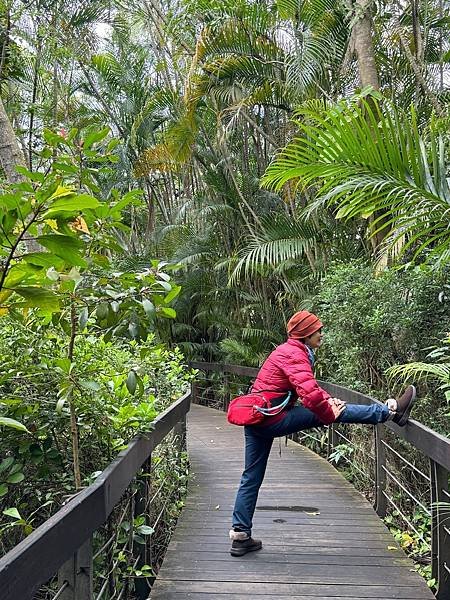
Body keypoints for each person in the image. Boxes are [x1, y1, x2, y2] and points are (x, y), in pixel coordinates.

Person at [229, 310, 416, 557]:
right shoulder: (294, 354)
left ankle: (240, 536)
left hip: (258, 417)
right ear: (306, 334)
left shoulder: (289, 351)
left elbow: (311, 387)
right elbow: (310, 395)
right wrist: (329, 413)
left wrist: (328, 400)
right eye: (318, 330)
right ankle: (389, 412)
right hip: (272, 418)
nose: (321, 334)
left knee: (251, 476)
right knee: (330, 411)